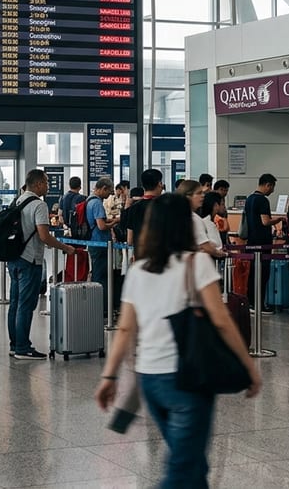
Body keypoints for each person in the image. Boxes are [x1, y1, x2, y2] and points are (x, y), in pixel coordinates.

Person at [95, 193, 261, 488]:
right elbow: (221, 320)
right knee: (182, 471)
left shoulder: (138, 270)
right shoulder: (196, 263)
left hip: (151, 382)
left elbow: (124, 330)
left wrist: (109, 376)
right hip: (187, 380)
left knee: (194, 466)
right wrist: (248, 364)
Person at [7, 169, 76, 360]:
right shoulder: (39, 205)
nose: (48, 185)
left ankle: (15, 344)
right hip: (30, 260)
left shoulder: (18, 201)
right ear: (37, 184)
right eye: (46, 182)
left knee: (15, 303)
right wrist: (66, 247)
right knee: (26, 304)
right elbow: (44, 236)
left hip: (13, 258)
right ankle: (22, 347)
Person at [243, 173, 284, 312]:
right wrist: (278, 220)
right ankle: (259, 304)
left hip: (251, 242)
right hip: (262, 243)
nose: (272, 190)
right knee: (262, 274)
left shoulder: (249, 199)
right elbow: (265, 221)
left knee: (252, 274)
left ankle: (251, 302)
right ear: (268, 185)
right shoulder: (262, 201)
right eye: (272, 187)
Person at [86, 177, 120, 315]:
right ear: (103, 188)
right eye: (109, 192)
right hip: (100, 243)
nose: (110, 195)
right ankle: (104, 309)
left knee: (97, 275)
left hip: (93, 243)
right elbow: (101, 226)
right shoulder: (97, 203)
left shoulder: (89, 201)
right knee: (102, 277)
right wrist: (115, 222)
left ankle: (97, 306)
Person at [176, 180, 222, 260]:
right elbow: (205, 246)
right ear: (188, 196)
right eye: (199, 193)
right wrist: (222, 254)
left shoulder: (175, 215)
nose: (203, 196)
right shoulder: (194, 219)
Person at [197, 191, 226, 257]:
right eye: (222, 204)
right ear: (215, 205)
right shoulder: (206, 223)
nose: (224, 207)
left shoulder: (209, 222)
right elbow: (212, 245)